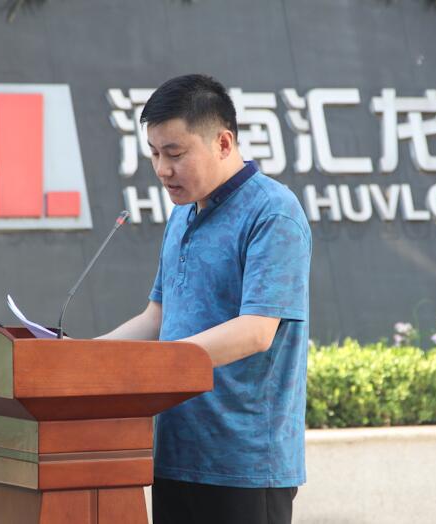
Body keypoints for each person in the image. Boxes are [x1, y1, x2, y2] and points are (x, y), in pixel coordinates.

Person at [98, 74, 311, 524]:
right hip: (175, 453)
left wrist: (155, 366)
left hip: (244, 464)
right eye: (154, 153)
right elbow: (157, 317)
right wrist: (82, 357)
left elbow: (256, 331)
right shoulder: (182, 215)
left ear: (223, 142)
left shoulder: (273, 211)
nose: (162, 169)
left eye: (175, 154)